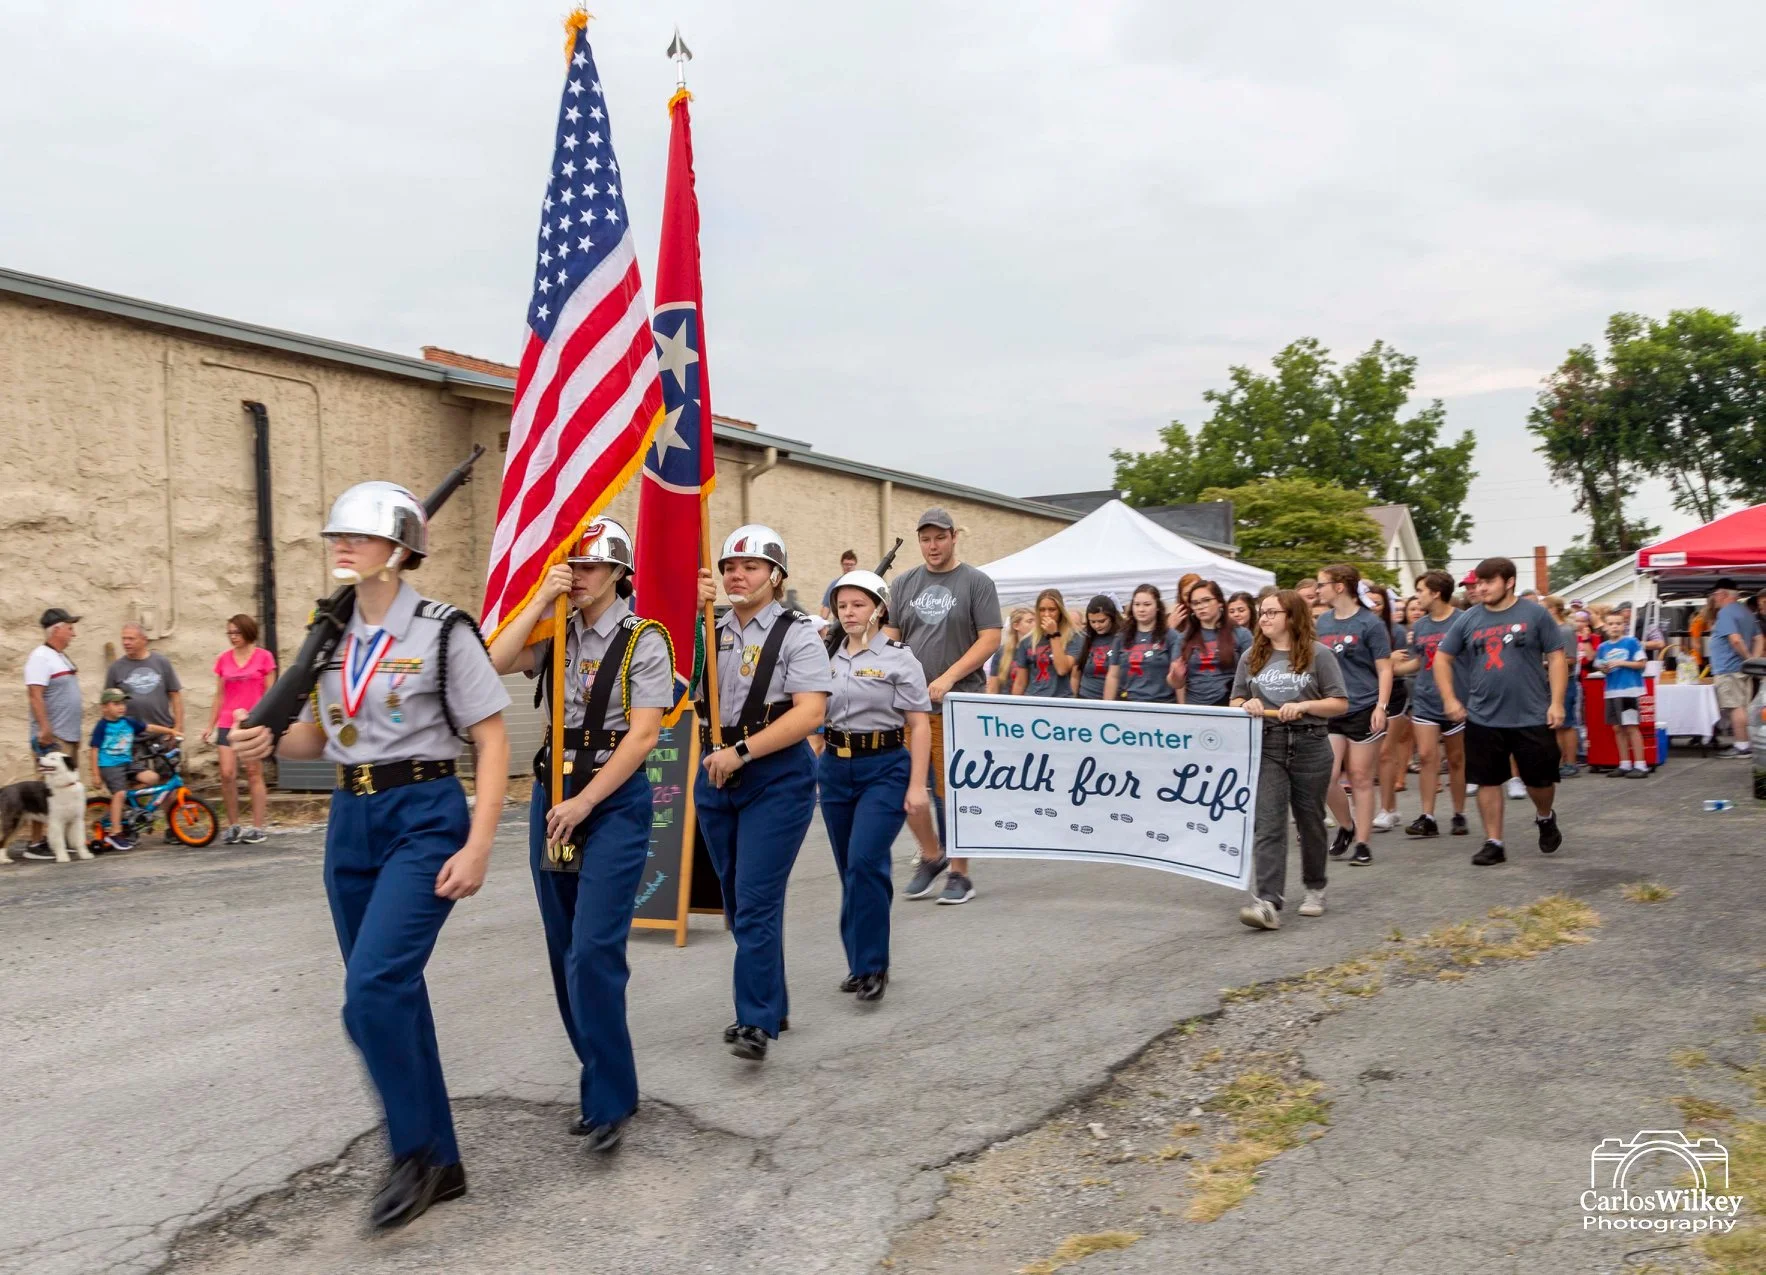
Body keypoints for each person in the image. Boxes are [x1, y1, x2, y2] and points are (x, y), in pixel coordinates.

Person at [228, 480, 510, 1229]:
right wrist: (263, 739)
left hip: (424, 813)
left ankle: (411, 1151)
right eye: (334, 537)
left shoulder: (444, 630)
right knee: (389, 993)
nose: (340, 547)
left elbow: (489, 739)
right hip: (350, 815)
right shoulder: (330, 634)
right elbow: (312, 742)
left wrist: (479, 842)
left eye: (357, 536)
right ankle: (442, 1162)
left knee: (372, 993)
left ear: (400, 549)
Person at [488, 518, 672, 1151]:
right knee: (562, 945)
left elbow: (645, 735)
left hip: (611, 800)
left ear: (619, 572)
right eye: (576, 564)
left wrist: (586, 802)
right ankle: (601, 1073)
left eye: (593, 565)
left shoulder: (646, 639)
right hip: (554, 794)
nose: (582, 574)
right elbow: (492, 662)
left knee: (595, 947)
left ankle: (609, 1101)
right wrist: (540, 597)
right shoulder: (556, 630)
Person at [692, 525, 832, 1060]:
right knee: (735, 902)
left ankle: (754, 1022)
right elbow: (675, 685)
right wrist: (689, 617)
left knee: (754, 899)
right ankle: (773, 1000)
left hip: (777, 779)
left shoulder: (797, 632)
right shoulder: (708, 629)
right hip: (717, 777)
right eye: (729, 566)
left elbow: (811, 713)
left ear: (775, 576)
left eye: (749, 566)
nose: (736, 574)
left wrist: (743, 752)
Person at [817, 569, 932, 1003]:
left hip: (884, 767)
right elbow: (813, 715)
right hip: (834, 768)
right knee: (852, 868)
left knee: (866, 861)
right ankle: (860, 961)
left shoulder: (900, 659)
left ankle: (872, 965)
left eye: (858, 604)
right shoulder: (823, 656)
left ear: (879, 609)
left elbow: (918, 726)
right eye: (842, 604)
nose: (849, 612)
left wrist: (917, 786)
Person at [888, 508, 1001, 907]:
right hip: (910, 707)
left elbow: (989, 639)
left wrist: (949, 676)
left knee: (949, 790)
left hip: (957, 705)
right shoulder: (903, 584)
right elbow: (892, 638)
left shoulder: (976, 582)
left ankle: (960, 872)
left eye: (939, 538)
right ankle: (931, 855)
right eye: (925, 539)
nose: (932, 546)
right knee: (905, 788)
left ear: (954, 537)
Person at [1434, 557, 1566, 866]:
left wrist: (1556, 702)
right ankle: (1494, 842)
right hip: (1483, 715)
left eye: (1487, 582)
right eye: (1478, 583)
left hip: (1532, 713)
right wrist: (1450, 699)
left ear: (1508, 582)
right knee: (1487, 780)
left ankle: (1545, 816)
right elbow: (1442, 658)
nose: (1480, 588)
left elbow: (1557, 657)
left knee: (1540, 782)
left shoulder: (1535, 614)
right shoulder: (1468, 619)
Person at [1232, 590, 1349, 930]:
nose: (1264, 618)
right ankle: (1268, 901)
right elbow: (1235, 698)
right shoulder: (1251, 656)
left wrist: (1306, 706)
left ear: (1292, 617)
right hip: (1268, 744)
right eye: (1262, 613)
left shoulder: (1319, 655)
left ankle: (1315, 887)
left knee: (1309, 821)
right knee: (1268, 822)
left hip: (1310, 742)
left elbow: (1339, 702)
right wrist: (1246, 705)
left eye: (1271, 612)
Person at [1314, 565, 1392, 866]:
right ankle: (1346, 826)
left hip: (1363, 706)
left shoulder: (1369, 623)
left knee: (1360, 777)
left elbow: (1385, 668)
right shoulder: (1323, 622)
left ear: (1340, 586)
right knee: (1326, 776)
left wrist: (1381, 707)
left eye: (1322, 584)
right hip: (1332, 707)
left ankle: (1362, 843)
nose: (1318, 590)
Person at [1399, 572, 1469, 838]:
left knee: (1456, 759)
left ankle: (1459, 813)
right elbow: (1417, 661)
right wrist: (1390, 668)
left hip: (1457, 700)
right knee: (1427, 756)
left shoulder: (1463, 621)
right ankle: (1427, 816)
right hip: (1425, 698)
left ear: (1436, 593)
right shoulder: (1419, 626)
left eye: (1420, 591)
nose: (1417, 597)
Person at [205, 614, 277, 845]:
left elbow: (271, 694)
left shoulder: (264, 658)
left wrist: (266, 720)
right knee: (227, 774)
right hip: (227, 721)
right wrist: (210, 725)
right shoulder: (223, 659)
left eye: (236, 632)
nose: (233, 637)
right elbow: (219, 695)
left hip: (252, 722)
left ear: (248, 632)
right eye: (230, 633)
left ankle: (257, 826)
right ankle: (234, 825)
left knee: (254, 772)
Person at [88, 688, 176, 851]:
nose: (121, 707)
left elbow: (149, 727)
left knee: (152, 778)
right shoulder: (102, 726)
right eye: (116, 704)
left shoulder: (128, 722)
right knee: (119, 793)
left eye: (122, 703)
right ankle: (115, 833)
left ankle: (127, 800)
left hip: (128, 762)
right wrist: (95, 774)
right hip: (110, 765)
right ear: (104, 707)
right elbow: (94, 749)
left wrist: (171, 730)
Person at [1369, 587, 1413, 831]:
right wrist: (1385, 659)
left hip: (1394, 695)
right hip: (1367, 695)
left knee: (1386, 751)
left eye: (1378, 603)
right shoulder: (1360, 627)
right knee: (1378, 755)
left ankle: (1386, 810)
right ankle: (1392, 809)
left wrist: (1384, 663)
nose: (1374, 606)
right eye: (1370, 602)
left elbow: (1399, 665)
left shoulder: (1395, 630)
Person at [1175, 579, 1253, 707]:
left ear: (1220, 602)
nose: (1201, 606)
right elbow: (1177, 684)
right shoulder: (1184, 637)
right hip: (1194, 708)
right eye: (1195, 603)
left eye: (1206, 600)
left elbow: (1252, 674)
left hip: (1228, 707)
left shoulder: (1242, 634)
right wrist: (1175, 676)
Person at [1709, 578, 1764, 757]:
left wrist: (1748, 659)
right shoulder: (1746, 612)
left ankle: (1742, 746)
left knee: (1735, 707)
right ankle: (1746, 743)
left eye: (1715, 594)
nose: (1714, 598)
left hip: (1729, 668)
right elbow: (1760, 638)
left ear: (1724, 594)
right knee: (1743, 706)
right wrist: (1753, 661)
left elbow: (1735, 639)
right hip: (1741, 669)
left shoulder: (1725, 613)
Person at [1593, 611, 1650, 776]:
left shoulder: (1631, 642)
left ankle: (1640, 764)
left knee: (1631, 726)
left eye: (1618, 623)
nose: (1615, 627)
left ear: (1624, 625)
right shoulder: (1603, 647)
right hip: (1611, 690)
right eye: (1611, 624)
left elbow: (1641, 664)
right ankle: (1624, 763)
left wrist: (1621, 662)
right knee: (1617, 728)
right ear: (1605, 627)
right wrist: (1603, 668)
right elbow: (1600, 666)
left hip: (1629, 689)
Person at [1103, 584, 1182, 703]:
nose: (1141, 609)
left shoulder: (1171, 636)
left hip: (1161, 704)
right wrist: (1106, 708)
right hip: (1128, 703)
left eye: (1147, 604)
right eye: (1137, 604)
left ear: (1157, 607)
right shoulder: (1121, 637)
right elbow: (1113, 675)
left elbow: (1177, 681)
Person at [27, 607, 83, 767]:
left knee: (67, 787)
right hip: (54, 739)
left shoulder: (59, 656)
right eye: (70, 628)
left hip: (68, 736)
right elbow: (34, 695)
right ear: (57, 630)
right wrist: (45, 730)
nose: (74, 634)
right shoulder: (40, 657)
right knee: (51, 788)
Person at [105, 623, 184, 737]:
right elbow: (108, 704)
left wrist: (177, 729)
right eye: (124, 638)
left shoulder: (161, 662)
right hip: (129, 736)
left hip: (163, 732)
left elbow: (175, 696)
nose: (126, 643)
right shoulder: (116, 668)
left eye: (131, 639)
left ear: (144, 640)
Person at [1542, 595, 1581, 778]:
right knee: (1555, 725)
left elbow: (1571, 659)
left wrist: (1547, 663)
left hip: (1566, 681)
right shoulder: (1548, 631)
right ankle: (1558, 762)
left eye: (1543, 607)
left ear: (1553, 609)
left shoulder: (1565, 630)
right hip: (1548, 682)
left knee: (1566, 724)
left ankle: (1571, 762)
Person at [1011, 589, 1076, 697]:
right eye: (1042, 610)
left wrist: (1054, 635)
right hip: (1034, 699)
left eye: (1052, 610)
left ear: (1060, 611)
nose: (1047, 614)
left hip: (1061, 700)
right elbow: (1020, 682)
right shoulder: (1027, 641)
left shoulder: (1074, 637)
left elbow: (1062, 669)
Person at [1069, 596, 1121, 699]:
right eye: (1093, 622)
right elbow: (1075, 675)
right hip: (1086, 697)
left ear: (1112, 618)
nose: (1097, 626)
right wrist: (1072, 700)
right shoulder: (1085, 638)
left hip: (1114, 700)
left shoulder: (1121, 637)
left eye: (1102, 621)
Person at [987, 608, 1034, 694]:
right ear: (1016, 626)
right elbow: (992, 686)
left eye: (1035, 621)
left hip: (1029, 702)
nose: (1034, 625)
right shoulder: (1002, 652)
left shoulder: (1036, 651)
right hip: (1005, 702)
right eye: (1029, 621)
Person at [819, 549, 860, 621]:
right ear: (842, 564)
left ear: (855, 565)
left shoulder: (861, 584)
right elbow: (826, 609)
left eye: (851, 564)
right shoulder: (835, 585)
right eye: (846, 564)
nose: (849, 567)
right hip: (840, 625)